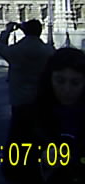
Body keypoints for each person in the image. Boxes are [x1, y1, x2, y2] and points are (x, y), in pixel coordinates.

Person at [0, 19, 54, 182]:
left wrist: (7, 31)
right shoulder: (47, 51)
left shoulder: (18, 50)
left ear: (25, 31)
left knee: (17, 137)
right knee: (37, 138)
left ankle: (14, 170)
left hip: (20, 100)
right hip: (40, 101)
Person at [30, 48, 85, 183]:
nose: (67, 90)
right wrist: (41, 160)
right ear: (49, 79)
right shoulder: (28, 114)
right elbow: (10, 166)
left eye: (75, 83)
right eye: (60, 81)